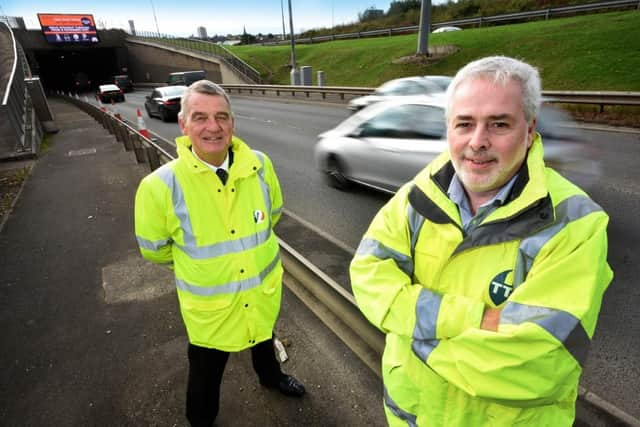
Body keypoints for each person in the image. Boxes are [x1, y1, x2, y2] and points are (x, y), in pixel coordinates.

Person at [350, 56, 613, 426]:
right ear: (449, 129)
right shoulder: (418, 195)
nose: (477, 142)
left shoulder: (575, 224)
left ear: (530, 129)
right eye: (464, 124)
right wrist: (476, 318)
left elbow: (533, 366)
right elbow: (366, 274)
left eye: (499, 124)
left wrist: (413, 333)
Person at [134, 80, 305, 427]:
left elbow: (273, 215)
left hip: (261, 292)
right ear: (183, 125)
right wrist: (202, 266)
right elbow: (155, 251)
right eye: (200, 117)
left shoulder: (260, 165)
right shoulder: (159, 187)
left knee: (264, 341)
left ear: (232, 123)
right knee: (205, 375)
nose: (213, 127)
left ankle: (271, 377)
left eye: (221, 117)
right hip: (211, 311)